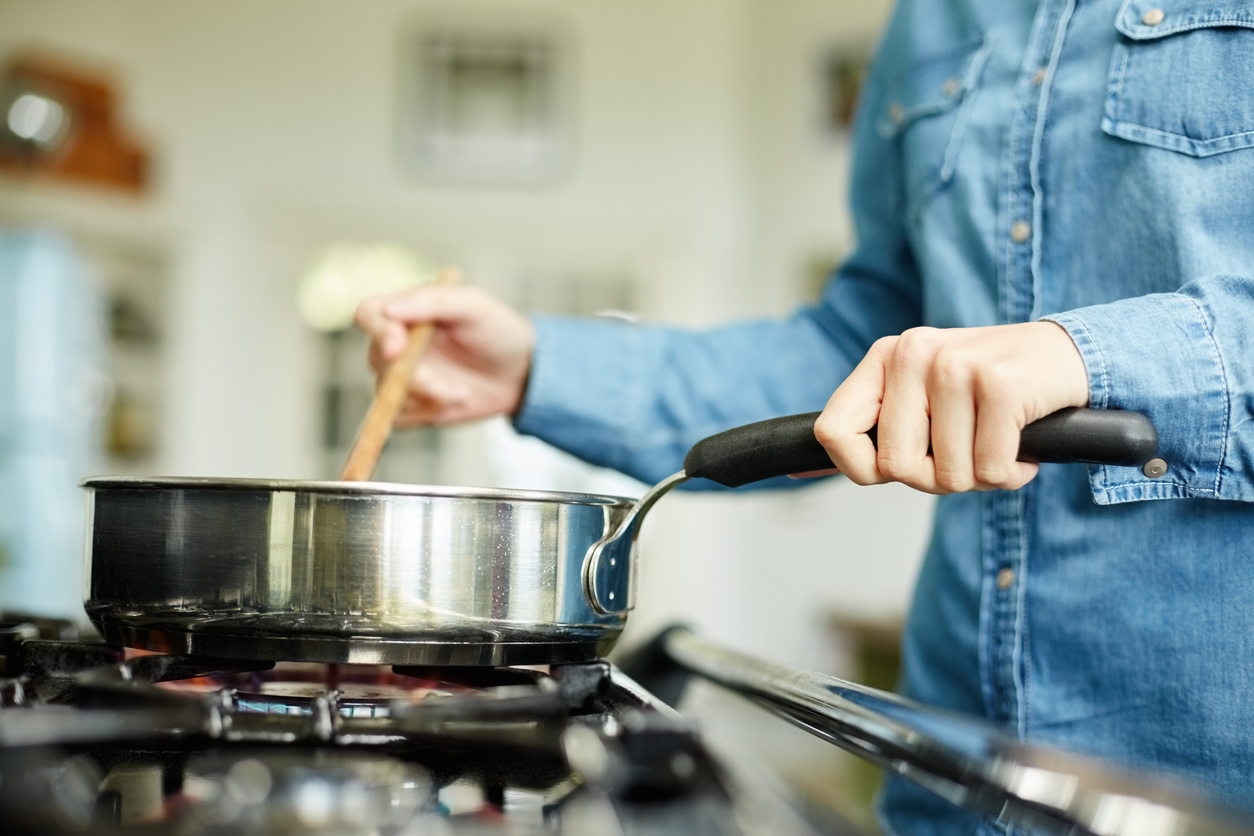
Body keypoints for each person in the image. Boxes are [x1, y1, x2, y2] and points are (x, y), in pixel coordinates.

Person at [355, 0, 1254, 832]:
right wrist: (543, 368)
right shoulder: (932, 19)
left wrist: (1091, 356)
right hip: (951, 780)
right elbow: (859, 352)